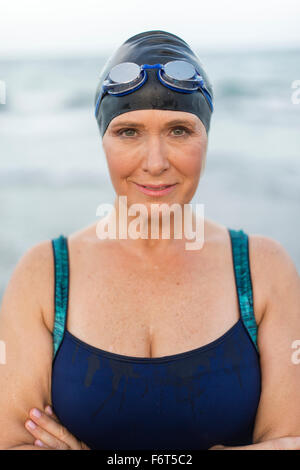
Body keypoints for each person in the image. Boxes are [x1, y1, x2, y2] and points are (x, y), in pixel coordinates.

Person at [1, 30, 300, 451]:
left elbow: (291, 440)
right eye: (128, 132)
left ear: (206, 138)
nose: (155, 162)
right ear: (103, 140)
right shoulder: (43, 276)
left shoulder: (264, 270)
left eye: (179, 130)